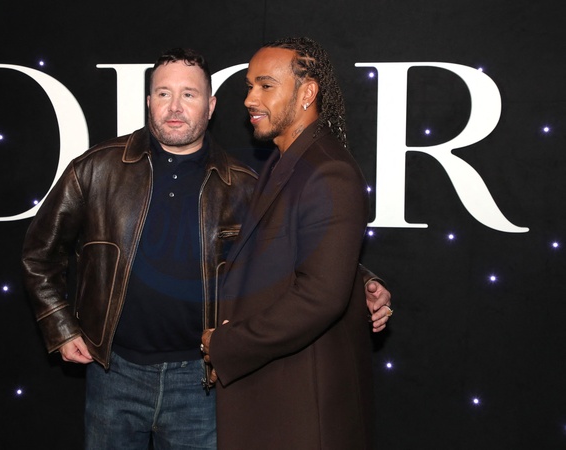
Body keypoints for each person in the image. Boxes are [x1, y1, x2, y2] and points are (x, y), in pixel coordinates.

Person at [22, 47, 391, 450]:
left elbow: (297, 246)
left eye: (189, 94)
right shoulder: (96, 168)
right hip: (114, 374)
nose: (175, 106)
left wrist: (362, 282)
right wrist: (61, 327)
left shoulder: (243, 183)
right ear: (148, 101)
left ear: (211, 106)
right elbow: (40, 253)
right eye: (164, 93)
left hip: (199, 381)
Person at [202, 37, 378, 449]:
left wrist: (228, 345)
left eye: (266, 85)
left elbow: (320, 297)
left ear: (307, 93)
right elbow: (302, 254)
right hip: (277, 395)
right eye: (250, 86)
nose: (250, 99)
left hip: (302, 407)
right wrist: (363, 277)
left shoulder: (328, 170)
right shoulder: (286, 160)